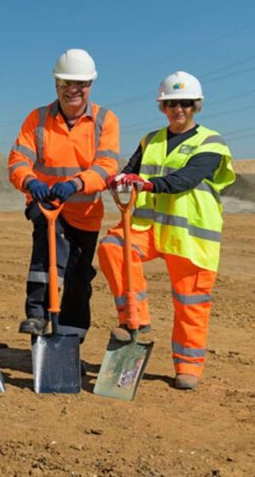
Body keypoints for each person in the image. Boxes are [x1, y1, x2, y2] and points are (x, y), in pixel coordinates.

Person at [97, 71, 234, 391]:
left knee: (191, 302)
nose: (178, 109)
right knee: (112, 247)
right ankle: (136, 320)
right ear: (162, 107)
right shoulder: (151, 140)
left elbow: (186, 179)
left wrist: (147, 184)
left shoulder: (211, 142)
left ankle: (188, 366)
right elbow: (129, 172)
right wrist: (118, 179)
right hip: (148, 226)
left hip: (191, 236)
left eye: (185, 103)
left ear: (196, 106)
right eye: (171, 104)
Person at [8, 49, 119, 346]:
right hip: (45, 206)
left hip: (85, 213)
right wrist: (30, 182)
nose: (74, 89)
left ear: (90, 86)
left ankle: (70, 341)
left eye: (81, 83)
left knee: (78, 277)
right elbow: (18, 159)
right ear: (56, 84)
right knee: (47, 253)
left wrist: (77, 183)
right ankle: (37, 316)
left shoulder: (105, 121)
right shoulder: (38, 119)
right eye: (67, 82)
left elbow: (107, 166)